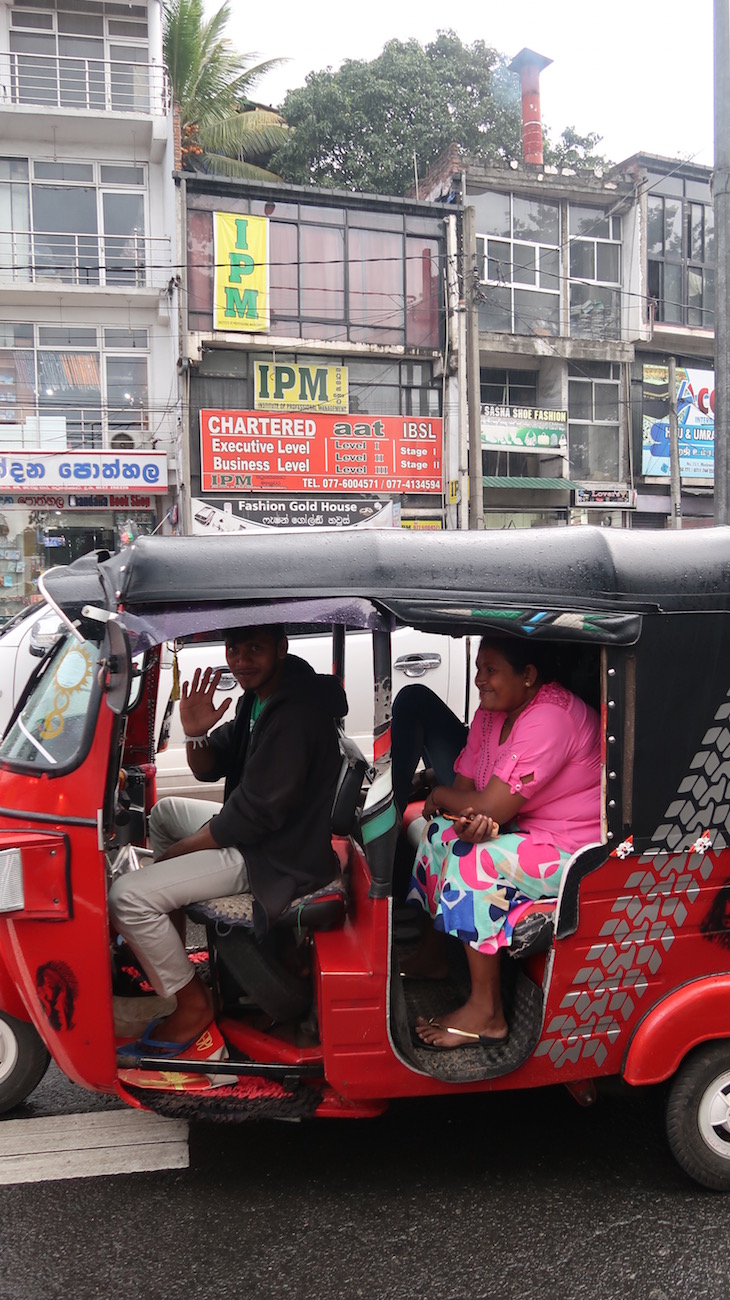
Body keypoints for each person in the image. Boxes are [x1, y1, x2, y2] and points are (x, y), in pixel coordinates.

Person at [109, 624, 346, 1074]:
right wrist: (195, 733)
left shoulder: (294, 713)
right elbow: (207, 767)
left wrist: (184, 850)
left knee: (126, 897)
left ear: (281, 648)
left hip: (274, 855)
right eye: (234, 649)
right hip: (258, 834)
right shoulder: (260, 699)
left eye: (254, 648)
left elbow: (250, 818)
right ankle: (170, 961)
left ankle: (192, 1006)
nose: (240, 660)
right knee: (164, 815)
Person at [404, 636, 601, 1051]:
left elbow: (488, 804)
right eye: (479, 669)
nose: (479, 680)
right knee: (438, 835)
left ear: (527, 675)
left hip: (573, 849)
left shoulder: (550, 717)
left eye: (490, 670)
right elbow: (466, 788)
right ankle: (432, 955)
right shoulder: (494, 713)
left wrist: (443, 800)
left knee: (476, 862)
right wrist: (458, 814)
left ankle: (487, 1013)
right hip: (526, 829)